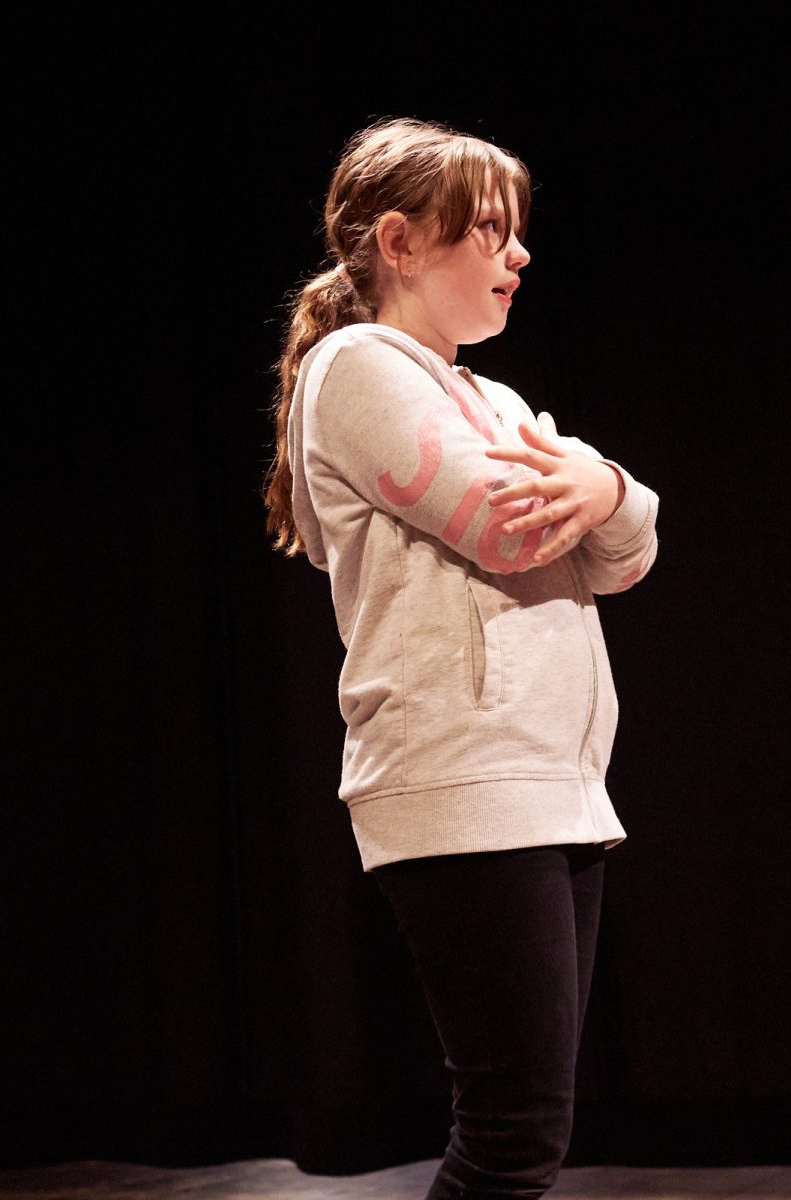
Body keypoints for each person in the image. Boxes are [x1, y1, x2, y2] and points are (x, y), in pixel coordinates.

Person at [263, 116, 660, 1199]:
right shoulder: (355, 368)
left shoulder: (496, 401)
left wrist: (605, 490)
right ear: (399, 242)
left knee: (527, 1134)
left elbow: (625, 556)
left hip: (553, 782)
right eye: (489, 230)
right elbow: (507, 528)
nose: (518, 254)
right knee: (509, 1140)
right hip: (463, 780)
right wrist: (588, 490)